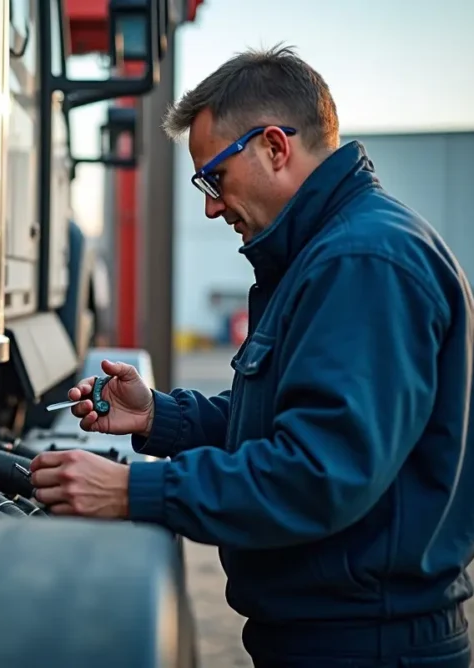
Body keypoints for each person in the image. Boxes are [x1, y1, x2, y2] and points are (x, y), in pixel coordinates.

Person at [29, 45, 474, 667]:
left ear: (273, 146)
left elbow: (318, 473)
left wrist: (133, 491)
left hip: (365, 645)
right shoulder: (327, 254)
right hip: (341, 632)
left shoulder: (362, 262)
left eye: (215, 177)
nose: (211, 205)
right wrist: (160, 416)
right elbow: (284, 423)